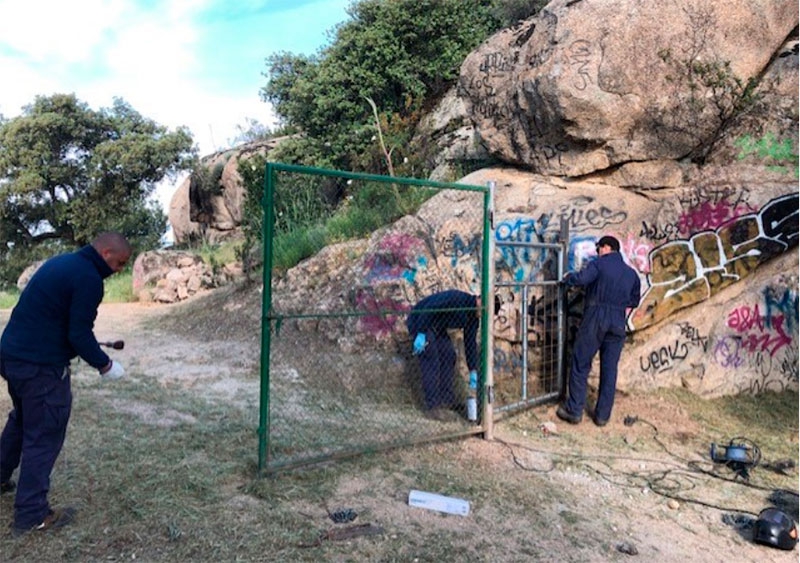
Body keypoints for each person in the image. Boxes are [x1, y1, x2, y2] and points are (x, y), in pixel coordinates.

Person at [0, 232, 132, 537]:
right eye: (120, 262)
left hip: (11, 357)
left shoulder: (61, 263)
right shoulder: (88, 278)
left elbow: (51, 318)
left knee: (22, 421)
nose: (119, 270)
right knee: (44, 433)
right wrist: (105, 365)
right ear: (106, 251)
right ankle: (31, 514)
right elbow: (79, 334)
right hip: (39, 368)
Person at [556, 235, 640, 427]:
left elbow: (583, 279)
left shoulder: (599, 264)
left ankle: (574, 410)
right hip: (618, 321)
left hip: (596, 318)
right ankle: (602, 416)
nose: (597, 251)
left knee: (581, 362)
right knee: (609, 370)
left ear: (607, 248)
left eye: (598, 248)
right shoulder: (631, 274)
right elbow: (634, 301)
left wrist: (568, 279)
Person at [407, 289, 481, 421]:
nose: (483, 315)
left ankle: (446, 401)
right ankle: (433, 407)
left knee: (449, 355)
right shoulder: (457, 298)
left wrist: (473, 370)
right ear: (479, 300)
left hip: (437, 328)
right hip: (421, 321)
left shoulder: (473, 317)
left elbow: (470, 343)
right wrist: (421, 333)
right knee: (431, 358)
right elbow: (430, 308)